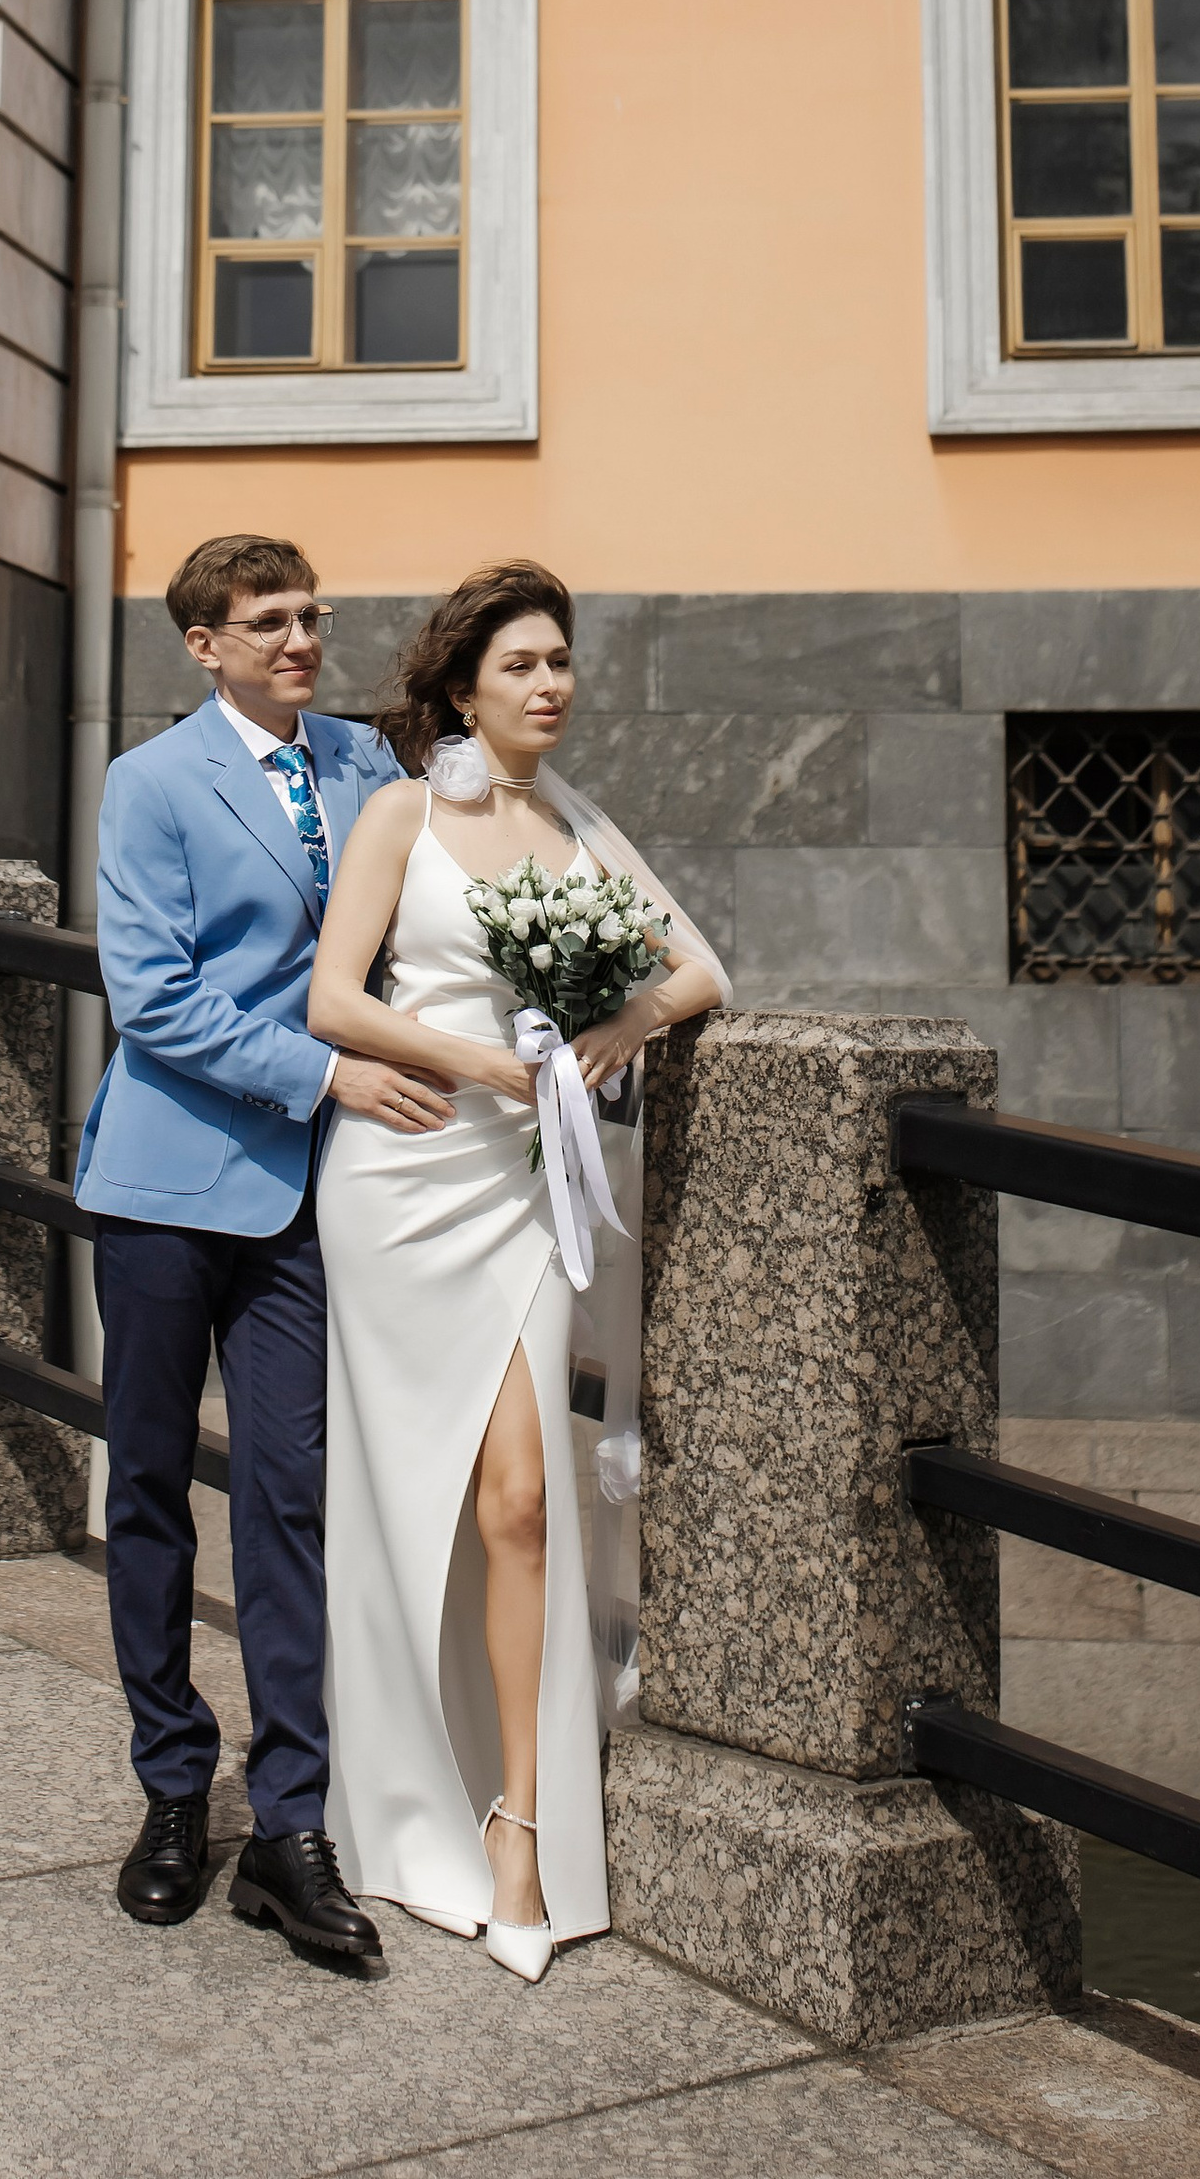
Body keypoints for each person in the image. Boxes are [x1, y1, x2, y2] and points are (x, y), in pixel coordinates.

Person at [305, 564, 731, 1978]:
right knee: (407, 1502)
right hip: (401, 1184)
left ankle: (520, 1838)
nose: (552, 683)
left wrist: (607, 1040)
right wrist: (479, 1057)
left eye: (563, 662)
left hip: (520, 1194)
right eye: (525, 664)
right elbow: (334, 998)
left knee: (525, 1501)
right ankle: (397, 1799)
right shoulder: (401, 813)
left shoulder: (571, 828)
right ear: (465, 684)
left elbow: (702, 974)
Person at [73, 532, 425, 1962]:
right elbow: (151, 997)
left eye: (313, 616)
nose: (301, 639)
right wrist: (323, 1075)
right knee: (149, 1490)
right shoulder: (150, 784)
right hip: (167, 1186)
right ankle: (173, 1791)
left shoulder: (369, 769)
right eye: (268, 621)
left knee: (292, 1497)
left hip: (306, 1206)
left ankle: (289, 1822)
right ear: (204, 646)